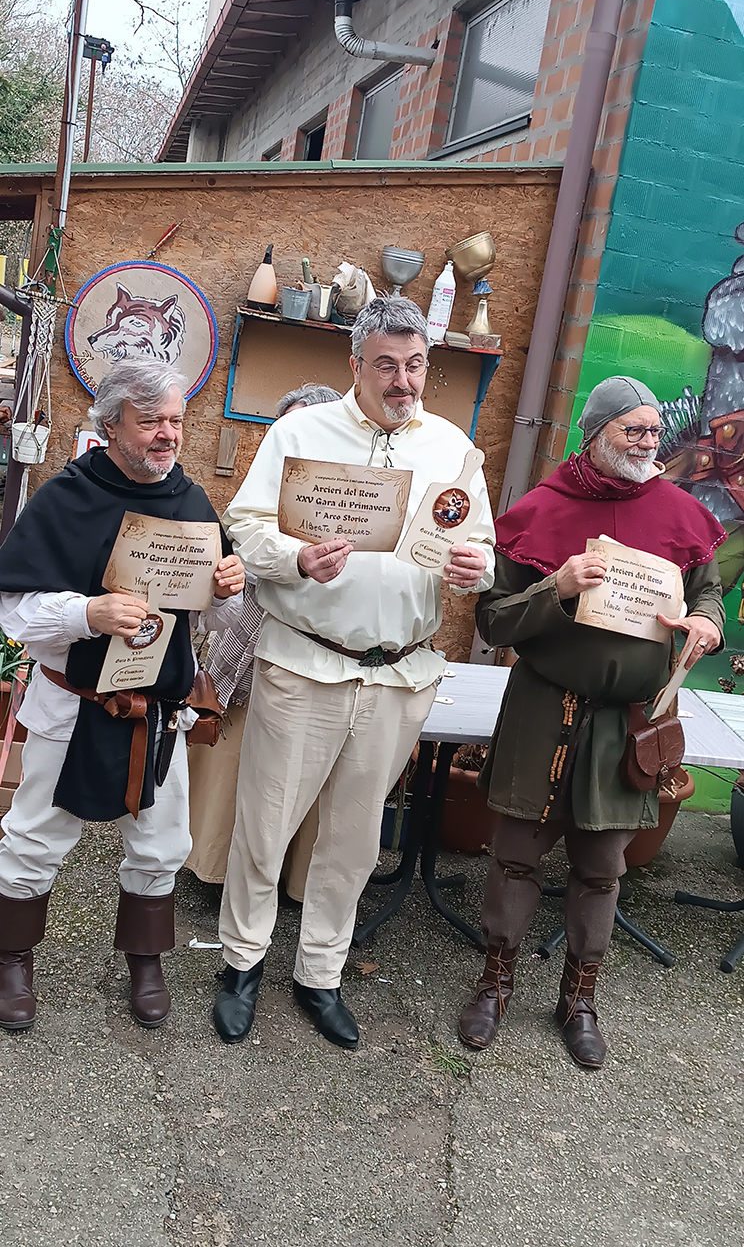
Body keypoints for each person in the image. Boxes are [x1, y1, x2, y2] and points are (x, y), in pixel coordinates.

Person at [213, 295, 495, 1050]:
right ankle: (241, 963)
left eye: (416, 366)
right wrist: (295, 557)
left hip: (398, 675)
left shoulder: (453, 447)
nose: (403, 381)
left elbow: (481, 544)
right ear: (355, 365)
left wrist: (475, 566)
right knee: (267, 823)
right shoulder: (301, 432)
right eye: (387, 365)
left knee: (355, 838)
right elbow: (245, 525)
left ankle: (320, 973)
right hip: (304, 663)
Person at [457, 376, 726, 1069]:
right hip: (543, 709)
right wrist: (559, 586)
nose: (647, 443)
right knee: (514, 855)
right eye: (632, 430)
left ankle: (579, 1000)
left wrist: (707, 623)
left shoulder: (680, 511)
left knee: (603, 867)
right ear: (595, 433)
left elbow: (709, 592)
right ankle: (495, 984)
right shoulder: (541, 509)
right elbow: (493, 620)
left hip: (626, 722)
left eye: (653, 431)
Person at [0, 363, 244, 1033]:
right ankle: (11, 957)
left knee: (162, 842)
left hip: (157, 713)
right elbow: (13, 610)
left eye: (176, 420)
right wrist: (88, 614)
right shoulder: (65, 498)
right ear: (111, 425)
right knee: (36, 835)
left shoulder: (191, 502)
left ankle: (145, 960)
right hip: (72, 703)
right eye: (151, 421)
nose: (168, 434)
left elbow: (209, 619)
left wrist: (227, 588)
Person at [186, 383, 342, 891]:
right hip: (246, 639)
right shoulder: (262, 487)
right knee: (229, 759)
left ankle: (293, 878)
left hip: (317, 653)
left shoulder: (349, 497)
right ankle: (212, 864)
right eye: (285, 428)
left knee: (301, 767)